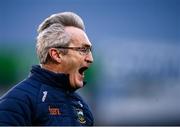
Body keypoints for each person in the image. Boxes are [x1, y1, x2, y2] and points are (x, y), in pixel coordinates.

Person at [0, 12, 94, 126]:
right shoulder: (17, 103)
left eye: (89, 50)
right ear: (56, 55)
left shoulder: (82, 106)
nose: (90, 59)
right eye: (83, 50)